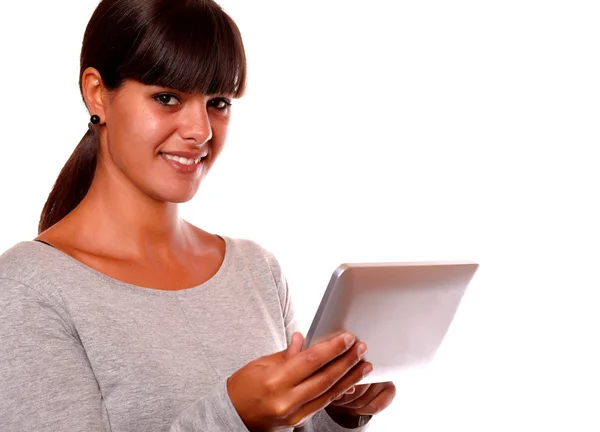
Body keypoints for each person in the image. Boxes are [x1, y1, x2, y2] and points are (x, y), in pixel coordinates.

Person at [0, 0, 396, 430]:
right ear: (97, 93)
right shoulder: (28, 288)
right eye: (167, 98)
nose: (201, 131)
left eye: (219, 102)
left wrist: (336, 412)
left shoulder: (256, 270)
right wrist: (235, 415)